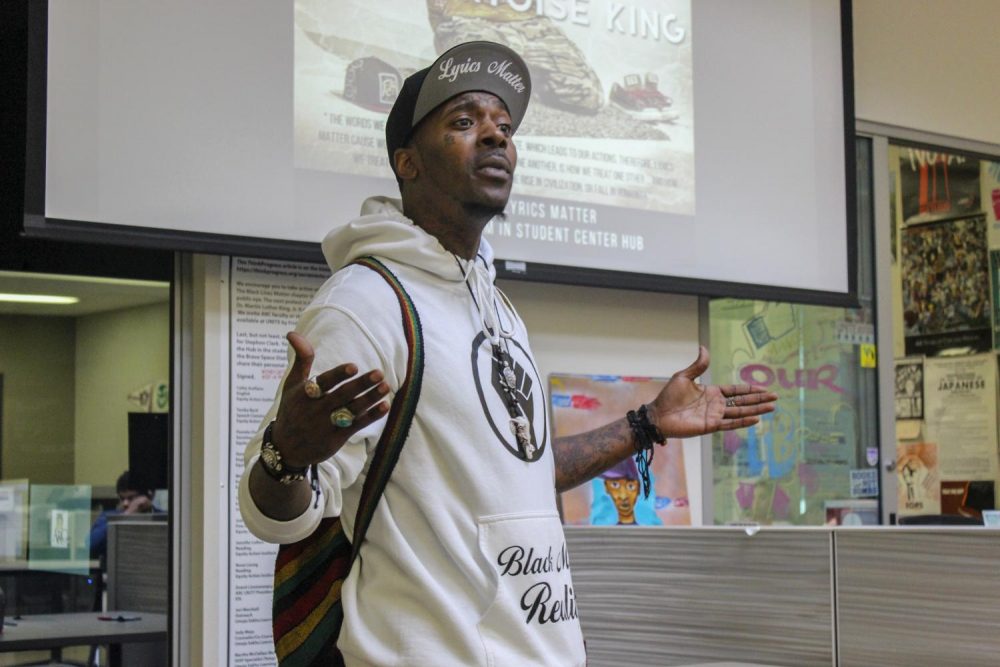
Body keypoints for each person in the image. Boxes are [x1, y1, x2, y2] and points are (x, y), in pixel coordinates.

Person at [239, 41, 777, 666]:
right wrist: (286, 455)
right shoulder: (365, 303)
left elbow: (523, 472)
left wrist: (644, 424)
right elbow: (272, 516)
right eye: (464, 122)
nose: (495, 138)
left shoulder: (498, 307)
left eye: (504, 126)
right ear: (407, 163)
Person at [88, 470, 157, 562]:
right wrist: (126, 516)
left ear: (149, 496)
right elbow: (91, 546)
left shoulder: (162, 517)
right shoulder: (108, 518)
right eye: (122, 498)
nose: (125, 503)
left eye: (131, 498)